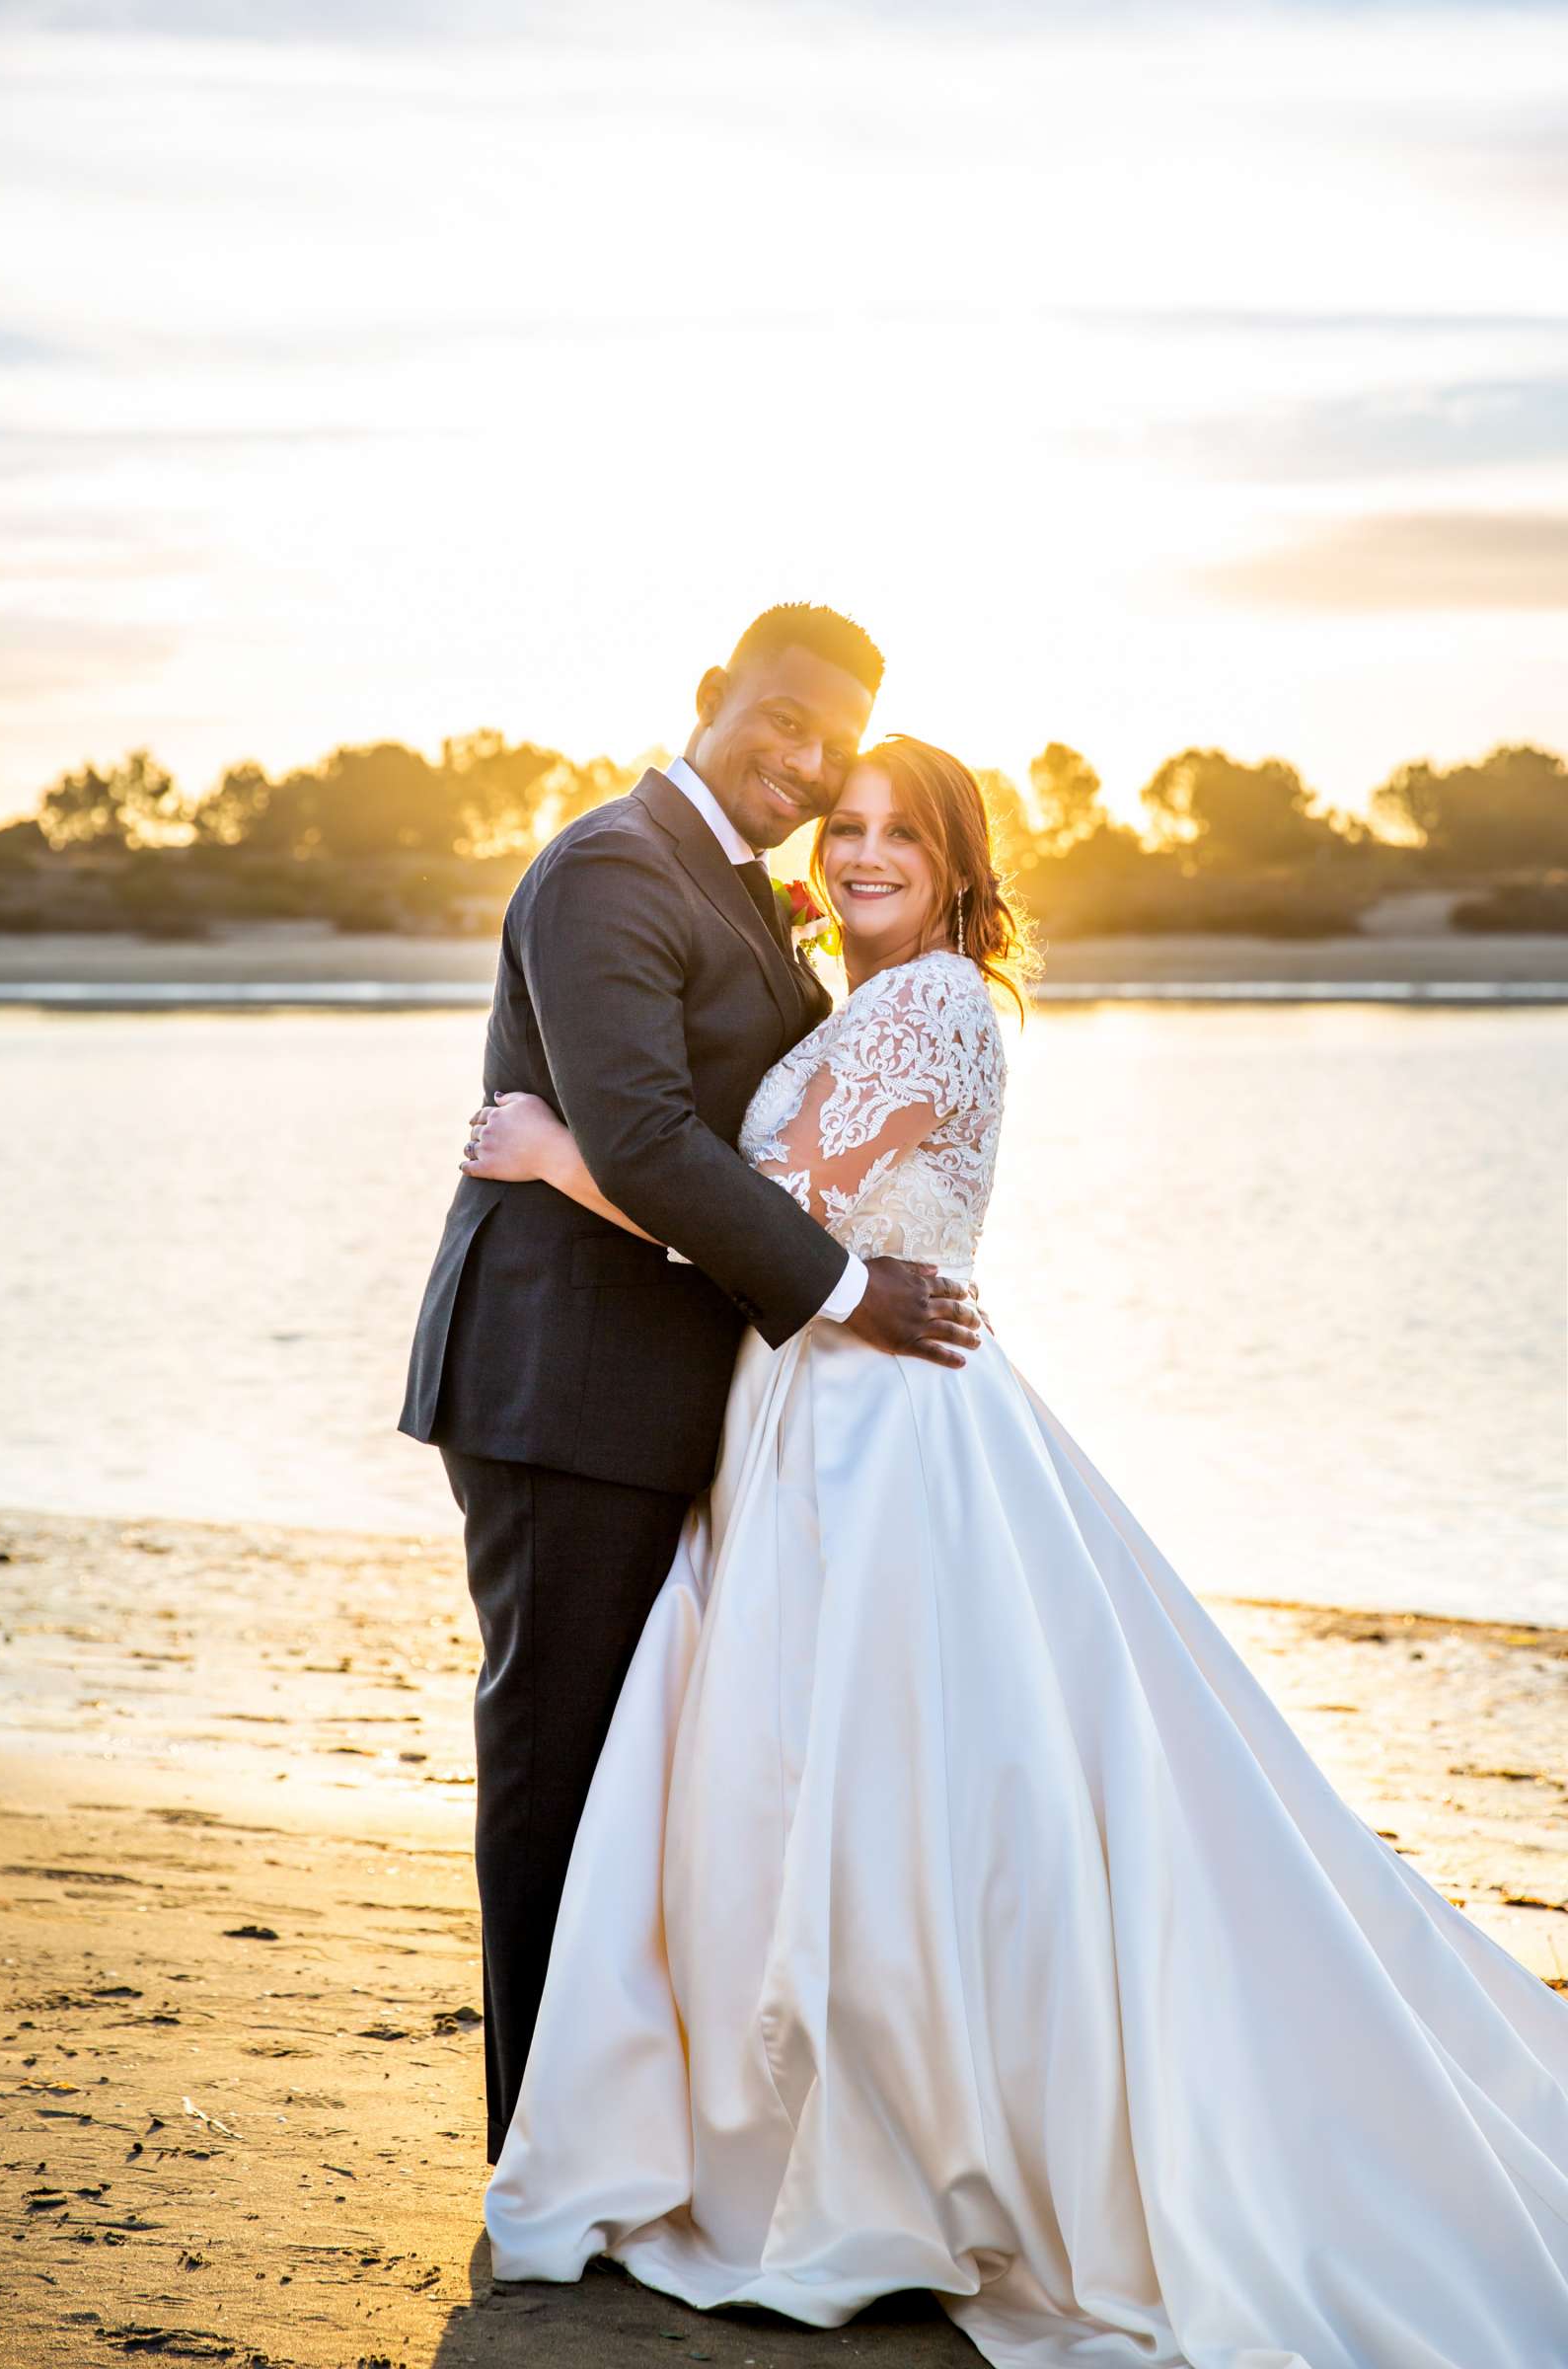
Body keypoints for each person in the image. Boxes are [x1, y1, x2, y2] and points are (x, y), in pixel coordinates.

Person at [462, 736, 1568, 2368]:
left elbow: (768, 1205)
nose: (861, 854)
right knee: (830, 1782)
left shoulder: (936, 1005)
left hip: (878, 1434)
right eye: (845, 828)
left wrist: (563, 1159)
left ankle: (896, 2142)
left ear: (964, 863)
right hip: (807, 1417)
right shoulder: (868, 998)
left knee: (880, 1786)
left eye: (901, 834)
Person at [399, 606, 982, 2164]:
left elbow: (767, 1138)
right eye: (779, 723)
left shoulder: (734, 888)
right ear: (712, 699)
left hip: (674, 1398)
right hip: (559, 1391)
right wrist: (854, 1294)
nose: (800, 763)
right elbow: (652, 1141)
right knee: (556, 1763)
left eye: (833, 749)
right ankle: (535, 2138)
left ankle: (625, 2112)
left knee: (642, 1767)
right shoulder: (611, 869)